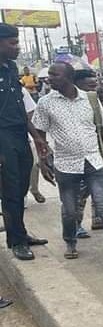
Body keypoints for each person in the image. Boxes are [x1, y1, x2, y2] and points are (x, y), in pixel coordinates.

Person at [32, 62, 103, 269]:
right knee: (70, 211)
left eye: (54, 75)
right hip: (65, 165)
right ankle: (70, 242)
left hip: (94, 162)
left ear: (68, 77)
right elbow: (40, 134)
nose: (49, 78)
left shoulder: (90, 99)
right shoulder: (46, 103)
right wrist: (43, 160)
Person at [0, 23, 47, 260]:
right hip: (3, 139)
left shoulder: (10, 69)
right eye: (13, 43)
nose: (18, 47)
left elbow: (21, 108)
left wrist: (37, 137)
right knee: (9, 192)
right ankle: (16, 241)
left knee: (20, 190)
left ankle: (21, 232)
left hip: (20, 135)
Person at [73, 69, 103, 235]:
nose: (94, 89)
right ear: (77, 85)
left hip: (97, 153)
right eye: (89, 86)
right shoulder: (71, 105)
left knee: (99, 190)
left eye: (95, 85)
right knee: (81, 192)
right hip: (79, 156)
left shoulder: (94, 101)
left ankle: (98, 219)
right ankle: (76, 225)